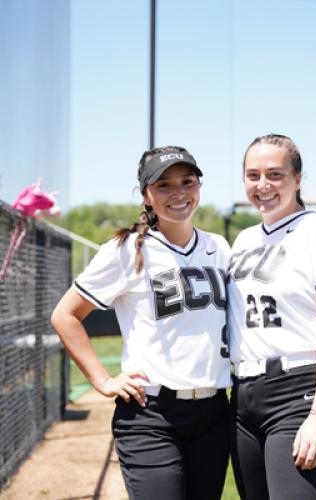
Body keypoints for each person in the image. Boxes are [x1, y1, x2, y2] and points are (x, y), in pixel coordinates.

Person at [51, 146, 231, 500]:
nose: (178, 193)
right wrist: (102, 380)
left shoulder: (220, 248)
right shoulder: (128, 249)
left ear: (199, 186)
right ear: (146, 195)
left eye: (187, 181)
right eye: (164, 185)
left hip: (214, 412)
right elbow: (65, 315)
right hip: (151, 416)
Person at [227, 134, 316, 500]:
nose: (263, 185)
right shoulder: (243, 240)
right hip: (242, 398)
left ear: (298, 178)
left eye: (275, 174)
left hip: (299, 392)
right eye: (252, 175)